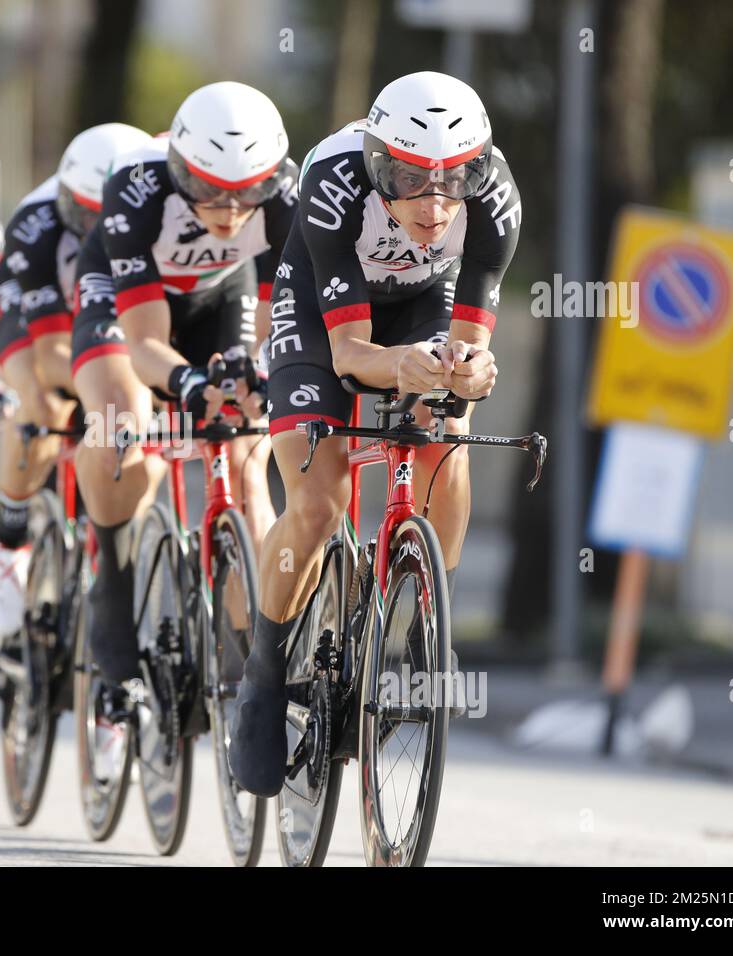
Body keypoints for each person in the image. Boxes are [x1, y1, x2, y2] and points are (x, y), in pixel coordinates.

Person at [229, 71, 520, 797]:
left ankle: (426, 622)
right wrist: (401, 368)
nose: (434, 204)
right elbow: (349, 354)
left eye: (456, 181)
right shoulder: (332, 182)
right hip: (326, 316)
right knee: (318, 502)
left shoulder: (496, 204)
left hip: (425, 301)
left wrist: (469, 372)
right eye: (409, 179)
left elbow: (470, 341)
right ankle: (263, 678)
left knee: (445, 439)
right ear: (375, 161)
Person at [71, 82, 297, 775]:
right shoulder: (137, 189)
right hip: (125, 306)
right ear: (178, 172)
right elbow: (145, 346)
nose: (229, 211)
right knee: (121, 425)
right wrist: (189, 383)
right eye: (209, 192)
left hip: (220, 298)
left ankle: (249, 657)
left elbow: (282, 315)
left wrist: (253, 375)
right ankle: (111, 580)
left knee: (250, 456)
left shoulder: (286, 197)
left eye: (245, 194)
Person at [0, 122, 150, 644]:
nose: (97, 230)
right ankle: (8, 542)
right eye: (84, 215)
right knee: (43, 402)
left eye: (107, 218)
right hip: (35, 317)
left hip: (108, 330)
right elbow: (53, 355)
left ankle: (120, 542)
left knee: (147, 437)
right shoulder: (37, 222)